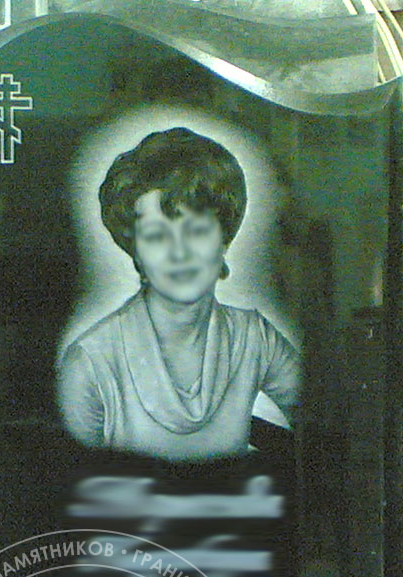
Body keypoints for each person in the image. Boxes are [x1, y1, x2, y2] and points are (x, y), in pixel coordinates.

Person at [58, 127, 299, 460]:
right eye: (157, 235)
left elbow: (321, 428)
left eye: (197, 230)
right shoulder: (90, 364)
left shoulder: (256, 340)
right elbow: (71, 478)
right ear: (134, 248)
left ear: (224, 239)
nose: (179, 253)